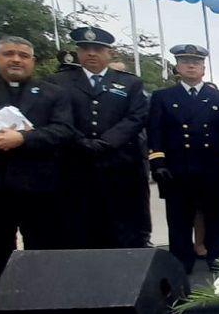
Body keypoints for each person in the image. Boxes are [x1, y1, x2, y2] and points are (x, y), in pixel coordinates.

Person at [0, 36, 75, 287]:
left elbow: (63, 130)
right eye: (9, 54)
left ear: (33, 61)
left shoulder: (53, 93)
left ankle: (42, 298)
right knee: (0, 249)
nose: (16, 59)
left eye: (23, 55)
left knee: (42, 248)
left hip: (39, 186)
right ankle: (3, 301)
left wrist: (22, 139)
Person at [49, 26, 150, 249]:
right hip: (76, 164)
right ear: (77, 52)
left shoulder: (129, 83)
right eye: (85, 48)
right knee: (79, 227)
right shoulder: (59, 82)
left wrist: (107, 142)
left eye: (97, 49)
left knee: (121, 227)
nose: (91, 53)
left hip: (118, 164)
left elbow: (136, 117)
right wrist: (81, 142)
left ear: (109, 53)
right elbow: (58, 117)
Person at [147, 44, 219, 273]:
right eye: (185, 61)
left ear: (203, 68)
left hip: (212, 169)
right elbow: (155, 133)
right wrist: (158, 162)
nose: (190, 66)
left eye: (195, 62)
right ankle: (180, 261)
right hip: (178, 169)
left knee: (217, 217)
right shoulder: (163, 97)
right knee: (179, 220)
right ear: (177, 67)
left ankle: (218, 257)